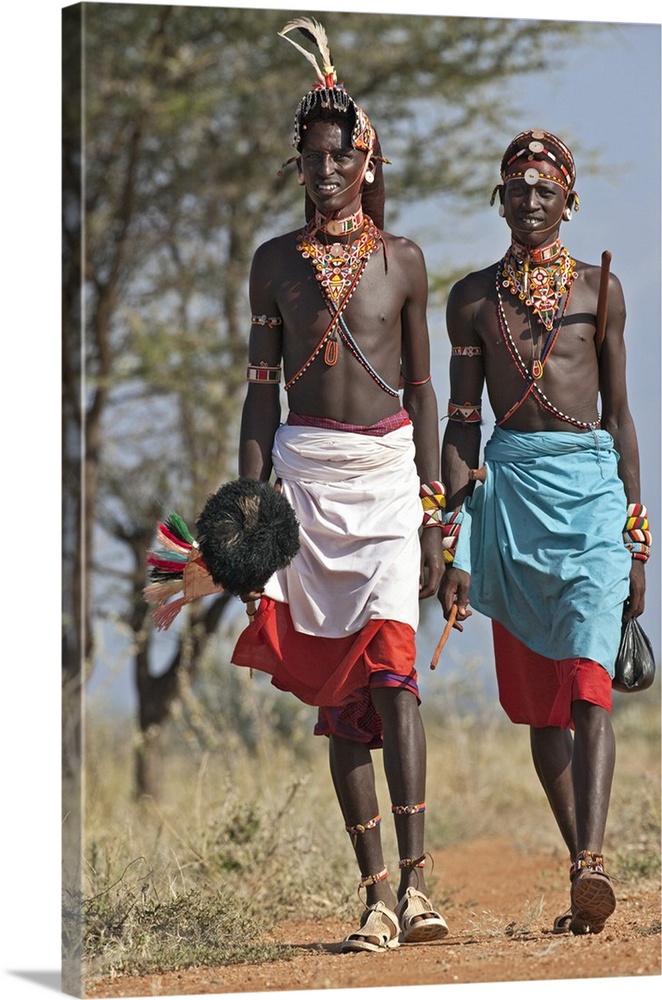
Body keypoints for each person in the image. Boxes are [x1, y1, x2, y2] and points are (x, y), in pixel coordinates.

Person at [231, 18, 449, 952]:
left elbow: (426, 392)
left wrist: (437, 516)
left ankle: (419, 883)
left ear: (367, 161)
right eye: (313, 159)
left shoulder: (403, 261)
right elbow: (257, 405)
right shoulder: (273, 265)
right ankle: (372, 898)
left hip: (390, 482)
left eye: (341, 158)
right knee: (339, 699)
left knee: (396, 677)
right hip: (307, 489)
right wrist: (247, 523)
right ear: (300, 164)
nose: (326, 174)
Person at [437, 129, 649, 936]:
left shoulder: (601, 290)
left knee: (591, 677)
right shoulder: (470, 299)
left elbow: (623, 417)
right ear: (501, 198)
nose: (530, 199)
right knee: (539, 704)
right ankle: (578, 869)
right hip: (511, 499)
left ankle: (593, 861)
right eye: (516, 188)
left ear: (570, 198)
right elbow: (462, 426)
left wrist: (635, 538)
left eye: (544, 187)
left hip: (593, 496)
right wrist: (453, 540)